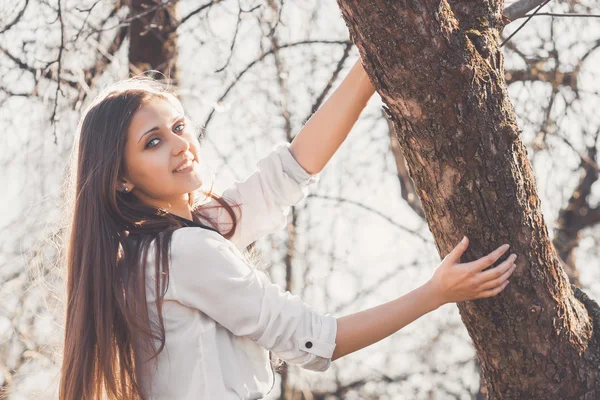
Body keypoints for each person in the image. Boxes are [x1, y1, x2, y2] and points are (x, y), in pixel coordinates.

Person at [58, 58, 517, 400]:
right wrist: (434, 293)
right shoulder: (183, 252)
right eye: (154, 142)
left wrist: (369, 67)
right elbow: (316, 340)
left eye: (179, 126)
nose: (181, 145)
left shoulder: (156, 252)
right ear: (121, 177)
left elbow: (289, 173)